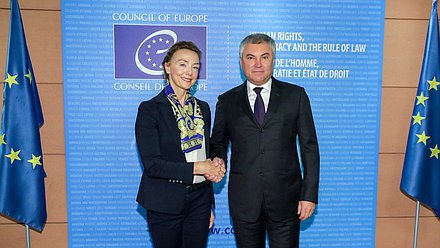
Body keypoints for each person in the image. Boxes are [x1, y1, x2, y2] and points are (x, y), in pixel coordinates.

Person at [210, 33, 320, 248]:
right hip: (245, 201)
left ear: (273, 60)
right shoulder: (227, 100)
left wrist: (309, 195)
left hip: (287, 200)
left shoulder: (295, 96)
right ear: (242, 63)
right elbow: (218, 141)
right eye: (251, 57)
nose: (258, 64)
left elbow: (310, 148)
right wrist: (218, 158)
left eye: (265, 57)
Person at [135, 41, 226, 248]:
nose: (190, 72)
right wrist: (200, 167)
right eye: (183, 64)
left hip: (200, 200)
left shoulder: (203, 108)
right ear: (168, 67)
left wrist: (209, 200)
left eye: (195, 67)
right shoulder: (150, 110)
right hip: (164, 200)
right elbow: (153, 165)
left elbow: (206, 153)